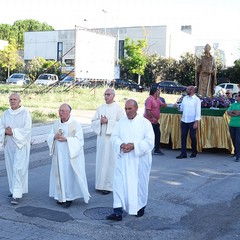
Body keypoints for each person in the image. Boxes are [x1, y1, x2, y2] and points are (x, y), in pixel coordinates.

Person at [106, 99, 154, 221]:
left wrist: (134, 146)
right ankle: (117, 211)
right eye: (126, 109)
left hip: (138, 161)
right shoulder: (121, 122)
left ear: (136, 108)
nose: (127, 111)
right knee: (118, 184)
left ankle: (139, 207)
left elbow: (149, 142)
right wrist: (121, 145)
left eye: (130, 109)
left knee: (139, 185)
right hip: (123, 159)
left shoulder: (145, 123)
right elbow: (114, 137)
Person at [47, 103, 90, 208]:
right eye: (59, 110)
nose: (60, 113)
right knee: (59, 175)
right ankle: (60, 196)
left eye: (63, 111)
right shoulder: (56, 124)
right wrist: (54, 136)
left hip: (70, 156)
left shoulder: (75, 124)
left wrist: (67, 139)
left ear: (69, 112)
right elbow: (49, 136)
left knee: (68, 176)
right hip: (58, 156)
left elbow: (80, 141)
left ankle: (69, 198)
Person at [91, 88, 125, 195]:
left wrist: (108, 122)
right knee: (101, 161)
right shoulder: (100, 108)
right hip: (101, 140)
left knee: (111, 162)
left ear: (113, 96)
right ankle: (100, 184)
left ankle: (109, 186)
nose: (106, 96)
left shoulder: (118, 109)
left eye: (108, 94)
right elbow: (93, 122)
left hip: (112, 141)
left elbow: (122, 124)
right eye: (105, 94)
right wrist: (100, 122)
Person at [0, 93, 32, 205]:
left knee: (18, 168)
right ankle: (14, 190)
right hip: (9, 144)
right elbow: (1, 127)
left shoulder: (25, 113)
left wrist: (13, 131)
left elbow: (27, 130)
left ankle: (17, 195)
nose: (12, 101)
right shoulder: (5, 113)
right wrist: (4, 131)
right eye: (11, 99)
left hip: (20, 145)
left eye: (15, 99)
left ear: (19, 101)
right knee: (10, 168)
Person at [176, 86, 201, 159]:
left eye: (188, 89)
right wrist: (178, 106)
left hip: (192, 120)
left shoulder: (196, 100)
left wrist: (196, 122)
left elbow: (198, 111)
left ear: (192, 90)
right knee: (183, 136)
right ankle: (183, 153)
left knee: (192, 136)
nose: (187, 90)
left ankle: (194, 151)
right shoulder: (185, 98)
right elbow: (182, 108)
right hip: (184, 120)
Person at [144, 87, 167, 155]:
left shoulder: (157, 99)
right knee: (149, 135)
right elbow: (148, 111)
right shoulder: (149, 99)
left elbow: (162, 105)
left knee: (157, 134)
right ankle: (147, 149)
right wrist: (153, 118)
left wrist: (165, 104)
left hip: (155, 121)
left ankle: (156, 149)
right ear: (154, 92)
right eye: (158, 91)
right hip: (149, 121)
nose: (159, 92)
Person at [227, 93, 240, 162]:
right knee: (234, 139)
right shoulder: (233, 105)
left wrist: (233, 112)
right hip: (232, 124)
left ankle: (238, 156)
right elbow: (228, 112)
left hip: (239, 125)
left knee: (238, 140)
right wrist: (235, 113)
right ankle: (236, 152)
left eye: (237, 96)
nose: (235, 97)